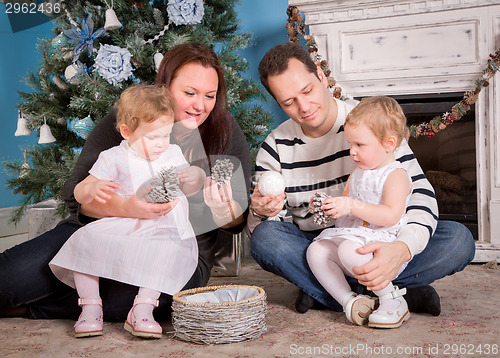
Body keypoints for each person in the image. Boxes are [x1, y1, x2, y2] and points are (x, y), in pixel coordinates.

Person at [0, 42, 252, 321]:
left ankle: (33, 308)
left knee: (153, 297)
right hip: (104, 230)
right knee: (11, 276)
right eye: (190, 93)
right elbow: (76, 195)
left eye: (210, 95)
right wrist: (127, 208)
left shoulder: (224, 132)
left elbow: (237, 219)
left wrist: (222, 211)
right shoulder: (130, 120)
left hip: (176, 248)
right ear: (166, 87)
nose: (200, 105)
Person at [249, 42, 475, 318]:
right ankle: (391, 294)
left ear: (321, 75)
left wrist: (402, 249)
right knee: (265, 239)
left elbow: (418, 195)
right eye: (288, 102)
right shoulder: (275, 146)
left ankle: (332, 293)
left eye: (307, 90)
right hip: (324, 243)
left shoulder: (372, 123)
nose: (304, 106)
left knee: (458, 240)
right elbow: (272, 228)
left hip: (383, 237)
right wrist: (263, 212)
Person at [49, 84, 204, 338]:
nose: (161, 144)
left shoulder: (172, 153)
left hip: (162, 224)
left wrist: (195, 175)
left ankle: (143, 308)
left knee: (164, 251)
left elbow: (191, 179)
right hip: (125, 220)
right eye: (152, 137)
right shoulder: (113, 157)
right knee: (85, 240)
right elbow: (79, 191)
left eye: (166, 135)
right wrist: (91, 189)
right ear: (127, 132)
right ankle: (90, 307)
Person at [307, 96, 413, 329]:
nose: (352, 152)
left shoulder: (396, 175)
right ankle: (351, 301)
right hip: (352, 237)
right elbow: (345, 204)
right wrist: (330, 206)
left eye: (360, 145)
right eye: (350, 144)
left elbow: (390, 215)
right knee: (316, 250)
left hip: (379, 246)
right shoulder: (358, 172)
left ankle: (391, 299)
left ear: (388, 143)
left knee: (347, 249)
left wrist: (351, 206)